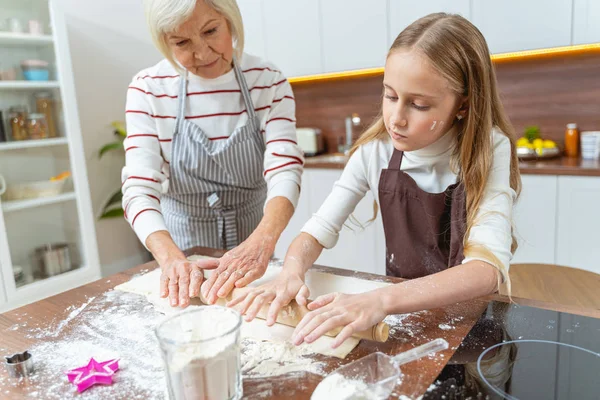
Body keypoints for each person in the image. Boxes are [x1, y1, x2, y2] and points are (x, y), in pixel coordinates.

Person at [229, 13, 521, 348]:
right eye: (390, 95)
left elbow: (486, 270)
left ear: (463, 106)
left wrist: (379, 300)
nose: (397, 119)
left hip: (473, 321)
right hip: (403, 319)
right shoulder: (374, 153)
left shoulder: (489, 149)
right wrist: (292, 270)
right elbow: (317, 229)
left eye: (419, 104)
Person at [122, 0, 303, 309]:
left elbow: (285, 169)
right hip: (183, 258)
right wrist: (171, 259)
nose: (203, 53)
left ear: (230, 20)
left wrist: (263, 241)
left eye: (211, 31)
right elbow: (139, 189)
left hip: (254, 253)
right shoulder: (149, 89)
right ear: (164, 41)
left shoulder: (267, 79)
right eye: (182, 42)